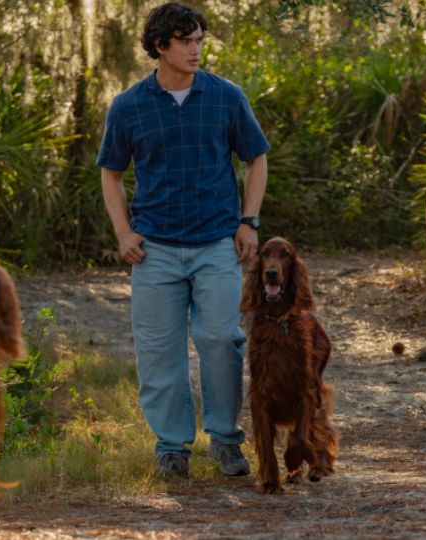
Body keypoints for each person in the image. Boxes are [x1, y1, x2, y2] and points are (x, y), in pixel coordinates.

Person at [96, 2, 270, 478]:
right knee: (159, 350)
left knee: (221, 339)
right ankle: (172, 446)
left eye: (199, 40)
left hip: (216, 243)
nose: (196, 49)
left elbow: (257, 158)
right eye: (185, 41)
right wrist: (124, 232)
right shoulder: (129, 106)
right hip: (154, 250)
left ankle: (226, 440)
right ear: (160, 46)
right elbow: (111, 174)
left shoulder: (226, 97)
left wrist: (248, 221)